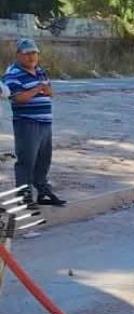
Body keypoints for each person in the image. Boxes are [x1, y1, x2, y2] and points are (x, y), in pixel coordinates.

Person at [4, 38, 64, 206]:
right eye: (27, 54)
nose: (31, 57)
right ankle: (23, 195)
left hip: (45, 122)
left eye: (34, 53)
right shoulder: (13, 73)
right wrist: (37, 89)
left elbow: (50, 93)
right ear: (18, 55)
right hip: (27, 122)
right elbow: (18, 99)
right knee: (26, 160)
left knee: (43, 159)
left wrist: (47, 90)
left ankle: (43, 191)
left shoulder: (40, 71)